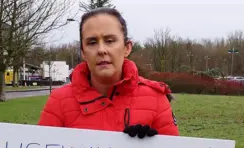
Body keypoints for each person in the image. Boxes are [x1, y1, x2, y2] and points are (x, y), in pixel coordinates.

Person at [38, 7, 179, 139]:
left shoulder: (156, 99)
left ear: (127, 48)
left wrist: (151, 147)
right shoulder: (59, 102)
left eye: (110, 41)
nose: (101, 50)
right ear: (83, 52)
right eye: (92, 43)